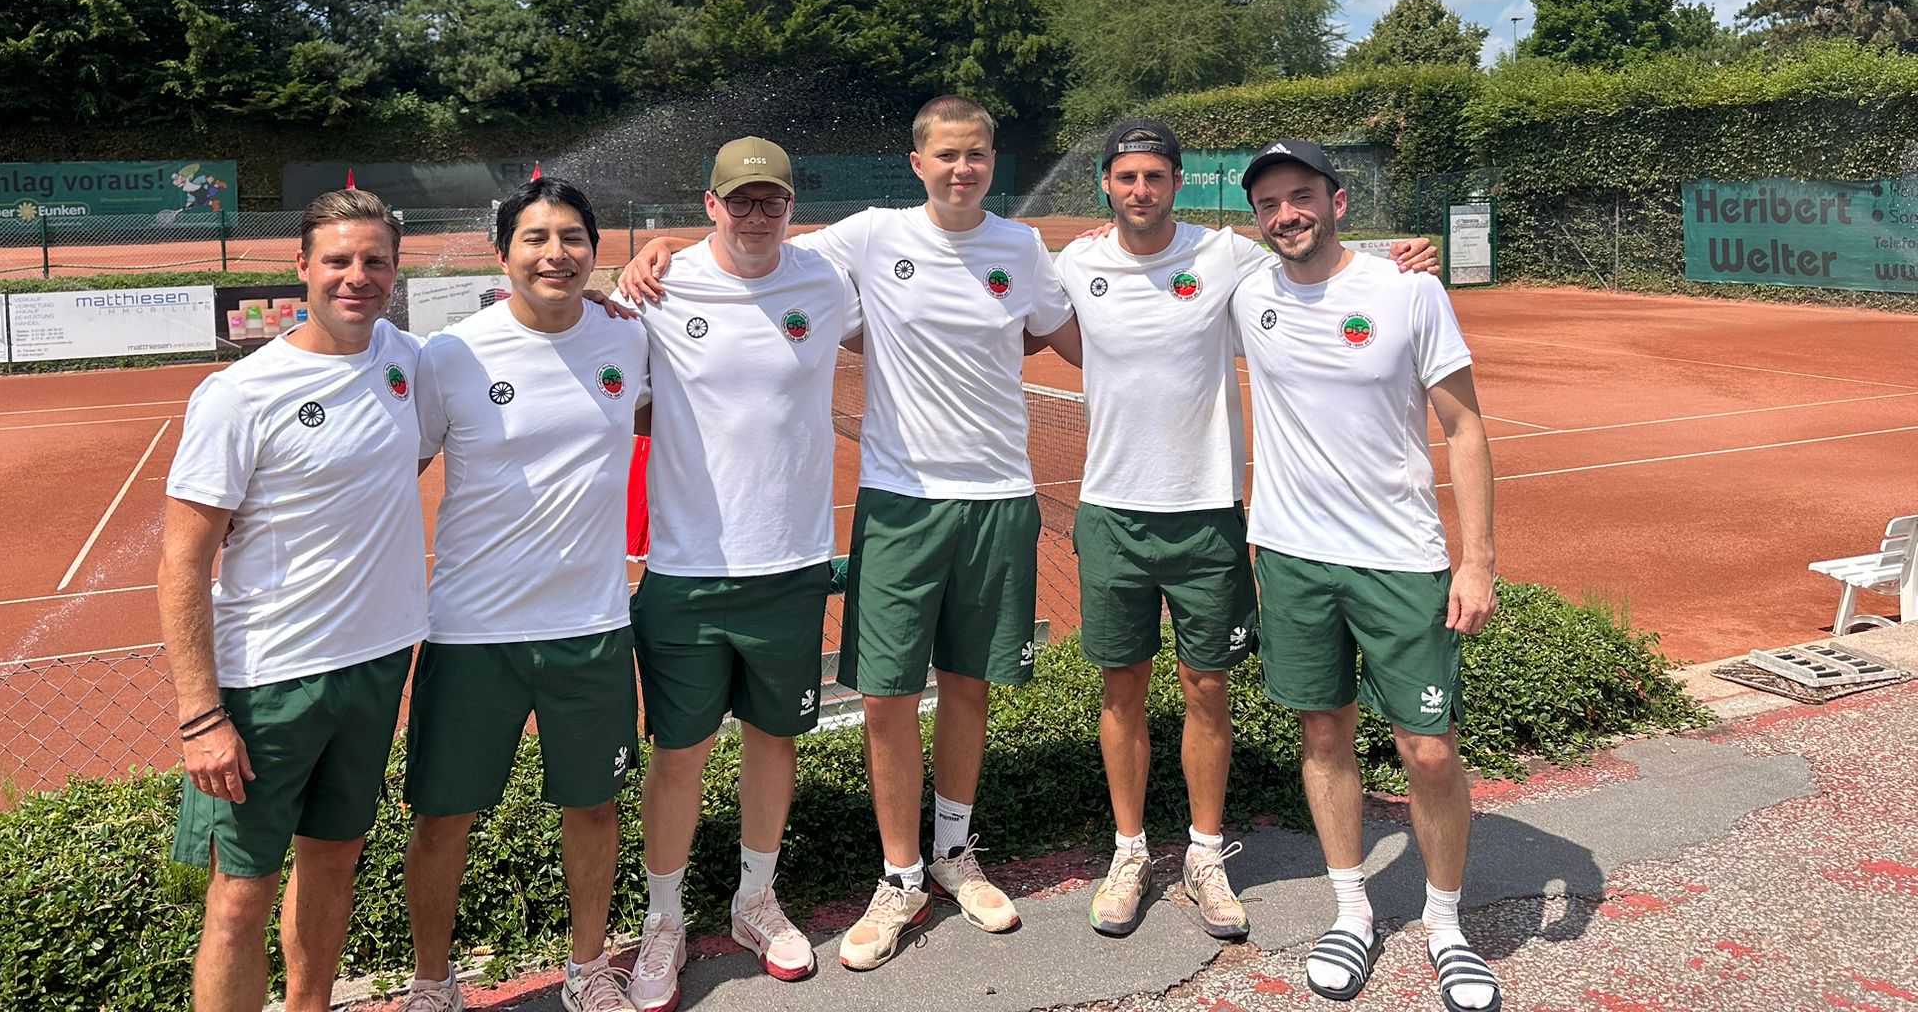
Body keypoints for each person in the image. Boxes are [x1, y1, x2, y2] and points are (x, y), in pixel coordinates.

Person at [622, 95, 1073, 971]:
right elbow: (744, 253)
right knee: (885, 697)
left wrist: (1147, 274)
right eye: (946, 154)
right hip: (898, 500)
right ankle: (899, 877)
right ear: (916, 162)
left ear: (992, 160)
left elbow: (1064, 331)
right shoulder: (864, 239)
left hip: (998, 497)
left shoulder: (1020, 248)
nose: (962, 168)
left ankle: (953, 853)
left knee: (968, 686)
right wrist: (659, 248)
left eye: (977, 154)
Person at [1049, 122, 1438, 942]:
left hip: (1209, 514)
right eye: (1126, 177)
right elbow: (1020, 309)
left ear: (1178, 181)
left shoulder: (1227, 255)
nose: (1141, 190)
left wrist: (1401, 257)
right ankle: (1129, 851)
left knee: (1207, 689)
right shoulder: (1077, 264)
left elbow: (1315, 258)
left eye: (1155, 176)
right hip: (1112, 510)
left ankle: (1204, 853)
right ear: (1106, 184)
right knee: (1121, 690)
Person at [1232, 141, 1500, 1012]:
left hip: (1402, 560)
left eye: (1301, 196)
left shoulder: (1409, 292)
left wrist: (1477, 560)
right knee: (1324, 735)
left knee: (1429, 750)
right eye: (1269, 204)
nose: (1286, 215)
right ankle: (1352, 911)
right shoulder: (1248, 291)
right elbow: (1158, 258)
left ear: (1338, 201)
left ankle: (1445, 924)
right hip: (1292, 556)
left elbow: (1464, 427)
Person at [158, 188, 428, 1012]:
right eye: (338, 260)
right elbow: (182, 562)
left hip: (377, 665)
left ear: (395, 270)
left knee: (334, 863)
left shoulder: (408, 360)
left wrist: (626, 279)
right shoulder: (241, 393)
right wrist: (200, 715)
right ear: (302, 267)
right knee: (239, 899)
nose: (358, 277)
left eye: (375, 260)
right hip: (269, 682)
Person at [619, 138, 864, 1011]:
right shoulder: (657, 286)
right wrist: (645, 256)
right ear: (711, 205)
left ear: (792, 207)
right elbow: (614, 389)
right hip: (686, 570)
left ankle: (755, 899)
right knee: (679, 754)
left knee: (773, 741)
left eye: (773, 201)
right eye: (741, 201)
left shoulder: (826, 281)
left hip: (791, 566)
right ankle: (664, 917)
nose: (757, 215)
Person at [397, 177, 650, 1012]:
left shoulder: (628, 338)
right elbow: (398, 472)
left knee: (594, 807)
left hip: (590, 626)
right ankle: (433, 984)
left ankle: (588, 970)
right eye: (535, 238)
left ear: (595, 251)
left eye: (573, 237)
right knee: (442, 820)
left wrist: (655, 262)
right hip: (472, 631)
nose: (555, 253)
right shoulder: (451, 356)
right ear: (501, 254)